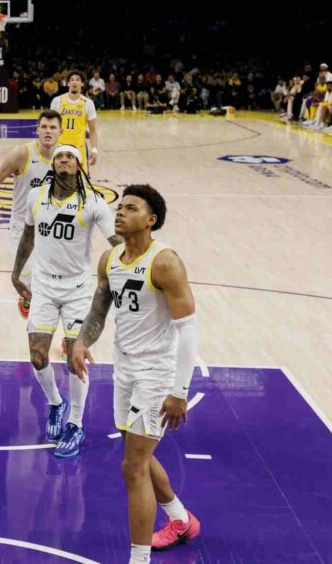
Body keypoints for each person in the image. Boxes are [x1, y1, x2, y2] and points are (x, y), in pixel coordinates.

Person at [70, 184, 202, 563]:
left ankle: (139, 558)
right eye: (120, 206)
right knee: (136, 451)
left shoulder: (165, 263)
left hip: (157, 370)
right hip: (123, 365)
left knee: (132, 466)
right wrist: (81, 341)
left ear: (151, 219)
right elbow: (99, 309)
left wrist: (179, 390)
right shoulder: (109, 259)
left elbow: (188, 328)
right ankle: (180, 519)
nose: (120, 212)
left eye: (131, 207)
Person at [11, 144, 121, 457]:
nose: (63, 160)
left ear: (78, 166)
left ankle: (75, 423)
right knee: (37, 356)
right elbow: (28, 236)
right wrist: (16, 273)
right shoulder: (37, 197)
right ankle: (56, 404)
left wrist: (143, 258)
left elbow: (117, 241)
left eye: (70, 157)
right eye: (59, 156)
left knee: (75, 357)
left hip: (77, 290)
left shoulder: (93, 202)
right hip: (43, 287)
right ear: (53, 164)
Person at [0, 110, 62, 317]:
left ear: (61, 132)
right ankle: (33, 305)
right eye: (44, 127)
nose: (48, 131)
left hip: (53, 229)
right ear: (37, 130)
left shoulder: (65, 157)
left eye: (52, 127)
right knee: (33, 285)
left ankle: (64, 333)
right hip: (23, 230)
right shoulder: (22, 154)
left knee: (60, 286)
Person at [50, 71, 100, 168]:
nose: (74, 82)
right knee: (59, 182)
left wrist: (94, 150)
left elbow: (93, 131)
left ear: (82, 84)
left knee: (79, 182)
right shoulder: (57, 101)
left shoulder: (88, 103)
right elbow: (51, 127)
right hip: (60, 148)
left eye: (77, 80)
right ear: (68, 83)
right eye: (72, 80)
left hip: (79, 149)